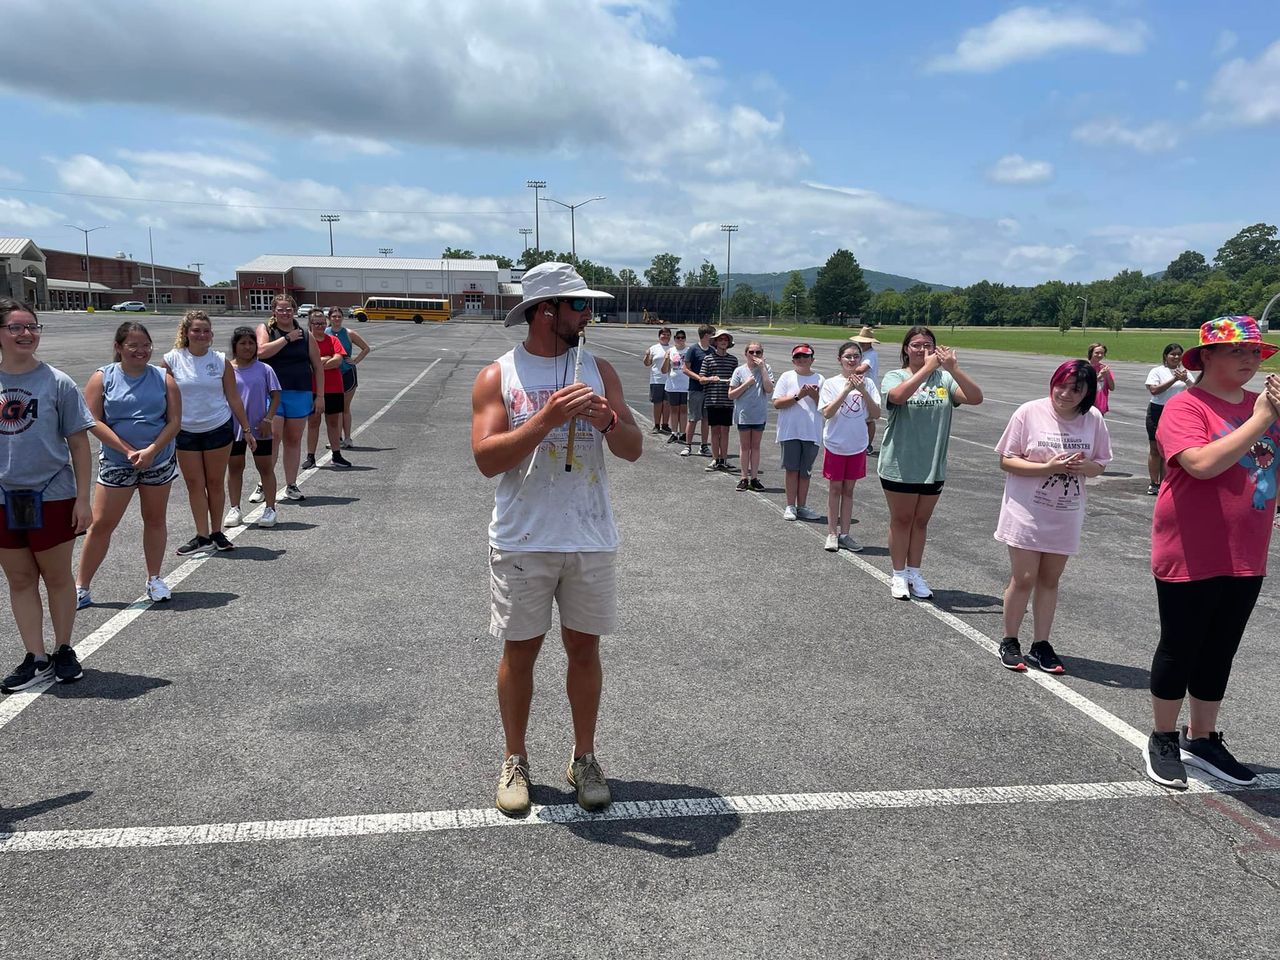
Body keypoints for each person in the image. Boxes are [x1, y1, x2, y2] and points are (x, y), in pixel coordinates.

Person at [471, 261, 641, 816]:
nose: (588, 314)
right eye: (578, 305)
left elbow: (634, 447)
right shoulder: (499, 375)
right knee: (520, 651)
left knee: (584, 648)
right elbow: (485, 458)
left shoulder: (600, 369)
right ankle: (515, 757)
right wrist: (543, 420)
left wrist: (608, 422)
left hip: (589, 535)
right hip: (523, 536)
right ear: (547, 311)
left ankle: (584, 756)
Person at [1144, 316, 1280, 790]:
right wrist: (1263, 417)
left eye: (1255, 353)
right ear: (1205, 358)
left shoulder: (1262, 405)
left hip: (1247, 549)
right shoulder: (1186, 407)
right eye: (1238, 351)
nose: (1250, 360)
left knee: (1221, 648)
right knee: (1181, 646)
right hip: (1190, 547)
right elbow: (1200, 465)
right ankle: (1162, 736)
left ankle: (1201, 736)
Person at [0, 299, 95, 692]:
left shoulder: (58, 382)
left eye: (33, 326)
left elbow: (79, 443)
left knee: (57, 578)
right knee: (20, 580)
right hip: (4, 499)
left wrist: (83, 498)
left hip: (53, 495)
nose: (26, 334)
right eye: (16, 327)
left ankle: (63, 649)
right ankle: (35, 656)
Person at [994, 360, 1111, 673]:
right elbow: (1007, 460)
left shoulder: (1093, 419)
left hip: (1066, 512)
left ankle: (1041, 644)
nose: (1066, 393)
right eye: (1061, 384)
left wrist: (1083, 467)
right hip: (1026, 510)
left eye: (1076, 389)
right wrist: (1048, 468)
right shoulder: (1029, 412)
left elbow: (1100, 464)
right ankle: (1010, 640)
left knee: (1050, 579)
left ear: (1088, 393)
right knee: (1025, 578)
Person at [76, 322, 181, 608]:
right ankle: (82, 587)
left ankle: (154, 579)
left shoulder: (163, 378)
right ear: (118, 347)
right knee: (101, 525)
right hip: (116, 462)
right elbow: (93, 421)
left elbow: (174, 422)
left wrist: (150, 450)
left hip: (157, 461)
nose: (140, 351)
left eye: (145, 345)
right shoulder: (103, 377)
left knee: (155, 520)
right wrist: (127, 450)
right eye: (132, 345)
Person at [878, 326, 984, 600]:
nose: (923, 350)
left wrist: (954, 369)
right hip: (900, 463)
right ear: (905, 349)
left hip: (932, 464)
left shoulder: (945, 379)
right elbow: (898, 397)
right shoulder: (894, 376)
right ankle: (899, 574)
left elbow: (975, 398)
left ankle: (914, 571)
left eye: (928, 345)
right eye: (916, 345)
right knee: (901, 520)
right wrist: (925, 370)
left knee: (921, 522)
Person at [162, 311, 256, 556]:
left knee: (215, 483)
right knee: (195, 484)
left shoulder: (220, 360)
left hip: (217, 427)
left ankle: (216, 532)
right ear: (186, 333)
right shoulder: (171, 360)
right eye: (196, 330)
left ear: (212, 334)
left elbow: (233, 398)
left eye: (206, 330)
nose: (201, 334)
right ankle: (202, 536)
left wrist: (246, 429)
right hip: (185, 431)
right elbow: (165, 399)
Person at [255, 295, 325, 503]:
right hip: (273, 393)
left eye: (289, 309)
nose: (285, 313)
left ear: (294, 311)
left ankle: (291, 485)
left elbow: (318, 367)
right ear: (274, 311)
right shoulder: (266, 330)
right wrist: (286, 339)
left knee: (293, 440)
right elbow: (261, 352)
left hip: (300, 392)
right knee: (273, 437)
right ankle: (263, 482)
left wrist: (319, 395)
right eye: (281, 309)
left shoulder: (306, 335)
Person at [819, 341, 881, 552]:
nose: (852, 360)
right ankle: (832, 533)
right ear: (840, 359)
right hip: (836, 443)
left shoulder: (869, 384)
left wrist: (862, 390)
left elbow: (875, 413)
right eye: (848, 356)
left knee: (849, 490)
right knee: (835, 489)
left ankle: (845, 533)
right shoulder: (831, 383)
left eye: (856, 356)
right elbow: (827, 413)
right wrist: (846, 390)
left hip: (857, 444)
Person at [224, 327, 281, 530]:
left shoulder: (265, 369)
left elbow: (275, 396)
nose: (247, 347)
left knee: (265, 468)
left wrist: (268, 419)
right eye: (243, 343)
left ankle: (270, 509)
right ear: (235, 346)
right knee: (235, 467)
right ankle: (235, 508)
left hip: (260, 428)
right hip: (233, 429)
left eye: (251, 343)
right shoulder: (227, 369)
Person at [772, 343, 825, 521]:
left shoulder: (820, 379)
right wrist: (798, 396)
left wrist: (814, 395)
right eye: (798, 357)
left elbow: (826, 408)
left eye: (805, 357)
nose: (802, 360)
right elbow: (777, 403)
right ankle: (790, 505)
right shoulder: (787, 377)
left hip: (811, 431)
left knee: (805, 471)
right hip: (790, 431)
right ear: (793, 360)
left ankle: (802, 505)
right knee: (792, 469)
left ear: (812, 359)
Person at [302, 308, 352, 469]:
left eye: (323, 323)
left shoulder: (333, 340)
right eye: (316, 323)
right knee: (313, 422)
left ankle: (336, 455)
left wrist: (317, 364)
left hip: (334, 388)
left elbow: (338, 361)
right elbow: (306, 366)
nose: (320, 326)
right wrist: (324, 360)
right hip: (313, 388)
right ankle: (311, 456)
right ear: (310, 324)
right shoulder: (306, 342)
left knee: (332, 422)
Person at [1144, 343, 1193, 495]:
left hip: (1176, 413)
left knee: (1168, 450)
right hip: (1157, 410)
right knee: (1155, 449)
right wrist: (1173, 379)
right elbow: (1154, 390)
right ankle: (1154, 482)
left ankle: (1166, 481)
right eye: (1173, 354)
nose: (1176, 357)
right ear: (1166, 356)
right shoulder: (1157, 371)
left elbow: (1195, 390)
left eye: (1179, 354)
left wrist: (1186, 380)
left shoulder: (1185, 372)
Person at [728, 341, 774, 491]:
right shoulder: (739, 371)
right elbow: (731, 395)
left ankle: (754, 477)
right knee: (745, 446)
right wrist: (746, 384)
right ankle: (743, 477)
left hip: (759, 414)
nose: (755, 355)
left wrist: (762, 369)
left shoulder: (766, 369)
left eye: (758, 353)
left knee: (755, 447)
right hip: (744, 414)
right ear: (746, 354)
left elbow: (768, 388)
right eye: (751, 352)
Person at [325, 305, 370, 449]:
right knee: (334, 408)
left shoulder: (349, 333)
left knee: (345, 407)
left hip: (347, 373)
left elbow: (366, 348)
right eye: (334, 316)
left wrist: (355, 361)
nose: (336, 319)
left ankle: (348, 438)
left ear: (342, 318)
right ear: (329, 318)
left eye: (339, 316)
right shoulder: (325, 333)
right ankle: (336, 438)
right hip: (331, 374)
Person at [698, 329, 737, 472]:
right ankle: (715, 459)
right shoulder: (708, 359)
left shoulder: (733, 360)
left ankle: (724, 459)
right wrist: (710, 379)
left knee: (725, 431)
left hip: (727, 400)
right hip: (712, 399)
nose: (723, 342)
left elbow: (736, 379)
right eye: (720, 340)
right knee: (715, 430)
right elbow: (701, 379)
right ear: (715, 342)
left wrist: (733, 383)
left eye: (725, 340)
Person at [681, 324, 715, 457]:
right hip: (696, 389)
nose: (713, 337)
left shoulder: (712, 350)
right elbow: (685, 369)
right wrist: (699, 378)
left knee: (706, 419)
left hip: (709, 390)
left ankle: (704, 445)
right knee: (693, 418)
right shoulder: (693, 350)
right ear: (706, 335)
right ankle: (688, 445)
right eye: (712, 334)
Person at [850, 326, 881, 454]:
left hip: (868, 388)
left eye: (864, 341)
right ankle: (860, 442)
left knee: (869, 419)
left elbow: (861, 369)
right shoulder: (863, 354)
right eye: (861, 341)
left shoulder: (871, 354)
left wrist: (849, 366)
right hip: (859, 387)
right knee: (859, 416)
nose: (862, 343)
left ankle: (868, 445)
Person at [661, 330, 689, 446]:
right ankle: (674, 432)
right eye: (678, 338)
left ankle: (683, 433)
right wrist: (667, 358)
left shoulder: (689, 351)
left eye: (682, 338)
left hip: (685, 385)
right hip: (673, 385)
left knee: (683, 410)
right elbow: (664, 370)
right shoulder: (671, 351)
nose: (680, 340)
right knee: (674, 410)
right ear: (675, 339)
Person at [643, 326, 672, 434]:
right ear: (659, 336)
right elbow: (647, 363)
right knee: (657, 403)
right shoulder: (653, 348)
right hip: (656, 380)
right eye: (663, 334)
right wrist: (646, 355)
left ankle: (665, 424)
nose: (665, 337)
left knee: (667, 403)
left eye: (668, 335)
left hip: (669, 380)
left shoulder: (672, 349)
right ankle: (656, 425)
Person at [1087, 343, 1115, 416]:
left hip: (1100, 405)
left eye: (1102, 353)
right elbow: (1085, 385)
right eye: (1097, 353)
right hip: (1087, 405)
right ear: (1091, 353)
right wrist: (1099, 376)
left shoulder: (1104, 368)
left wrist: (1108, 375)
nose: (1099, 355)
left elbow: (1112, 388)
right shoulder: (1085, 367)